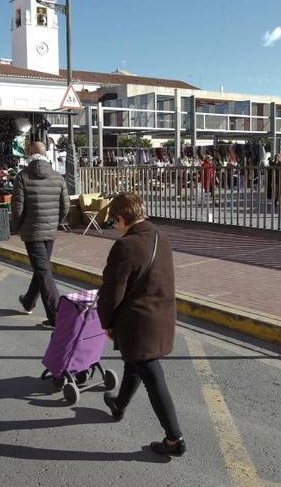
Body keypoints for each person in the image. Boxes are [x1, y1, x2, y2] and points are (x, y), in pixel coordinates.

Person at [98, 192, 185, 457]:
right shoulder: (162, 237)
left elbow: (112, 291)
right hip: (161, 316)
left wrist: (107, 322)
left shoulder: (126, 246)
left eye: (115, 223)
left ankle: (174, 439)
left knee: (152, 375)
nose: (116, 228)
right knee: (133, 363)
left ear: (122, 219)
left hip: (138, 323)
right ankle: (118, 404)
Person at [11, 141, 69, 329]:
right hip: (50, 230)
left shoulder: (22, 177)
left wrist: (16, 226)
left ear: (30, 154)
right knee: (42, 267)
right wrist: (55, 222)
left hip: (32, 231)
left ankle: (57, 315)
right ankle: (28, 301)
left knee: (43, 270)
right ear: (45, 154)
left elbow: (17, 208)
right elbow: (65, 206)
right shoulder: (58, 177)